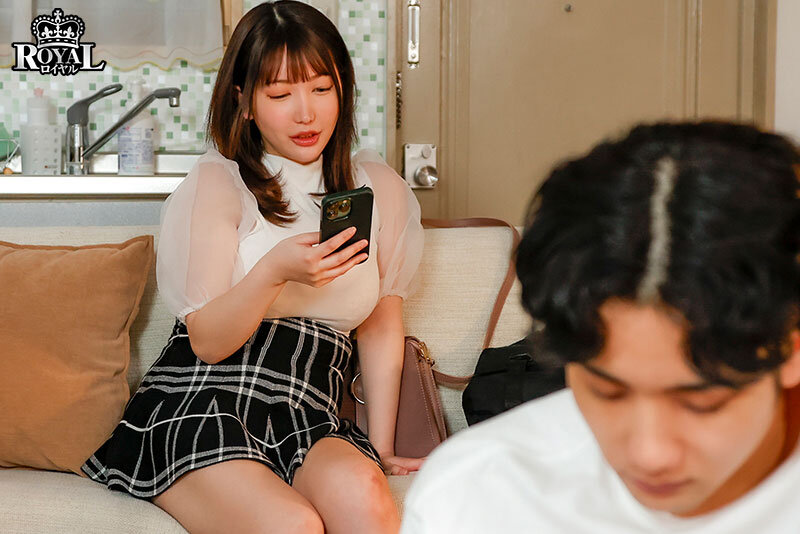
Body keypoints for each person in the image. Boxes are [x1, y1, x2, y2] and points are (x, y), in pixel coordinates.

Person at [81, 2, 425, 532]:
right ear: (243, 101)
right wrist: (273, 271)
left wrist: (379, 447)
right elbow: (206, 341)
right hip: (204, 397)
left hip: (308, 408)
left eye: (322, 88)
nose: (306, 114)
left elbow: (380, 326)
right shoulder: (219, 184)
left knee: (366, 501)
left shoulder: (379, 189)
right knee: (292, 525)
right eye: (281, 95)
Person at [401, 121, 800, 533]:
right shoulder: (479, 494)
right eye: (606, 391)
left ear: (792, 351)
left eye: (701, 401)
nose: (649, 454)